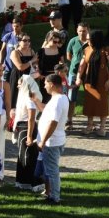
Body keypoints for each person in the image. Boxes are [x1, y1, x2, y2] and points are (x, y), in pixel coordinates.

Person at [76, 29, 109, 137]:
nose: (88, 40)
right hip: (89, 81)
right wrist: (78, 77)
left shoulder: (106, 50)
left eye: (90, 39)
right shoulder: (87, 49)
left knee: (102, 102)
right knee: (89, 103)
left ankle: (102, 127)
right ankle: (89, 126)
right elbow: (82, 65)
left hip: (102, 81)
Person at [37, 74, 69, 206]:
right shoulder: (62, 98)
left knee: (52, 171)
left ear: (52, 84)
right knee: (51, 169)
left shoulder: (56, 101)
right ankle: (52, 194)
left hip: (52, 142)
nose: (44, 86)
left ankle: (55, 197)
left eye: (45, 83)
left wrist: (43, 141)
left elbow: (53, 122)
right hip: (57, 139)